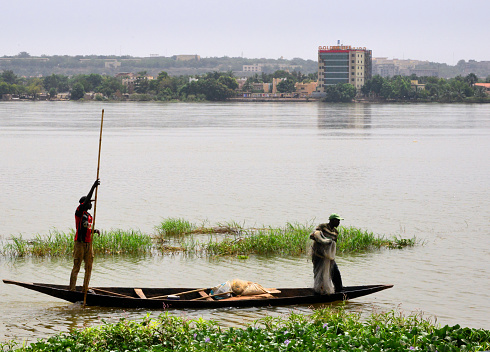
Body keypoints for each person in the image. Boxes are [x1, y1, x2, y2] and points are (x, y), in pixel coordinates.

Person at [69, 179, 100, 291]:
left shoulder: (88, 215)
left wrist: (94, 231)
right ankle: (72, 290)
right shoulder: (79, 211)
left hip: (88, 244)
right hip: (80, 244)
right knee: (76, 267)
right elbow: (87, 199)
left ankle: (84, 290)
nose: (91, 204)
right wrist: (94, 186)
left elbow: (87, 228)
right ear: (84, 204)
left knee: (89, 268)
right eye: (89, 202)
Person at [310, 213, 344, 294]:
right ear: (332, 220)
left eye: (339, 221)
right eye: (337, 221)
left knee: (335, 273)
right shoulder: (323, 226)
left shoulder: (335, 232)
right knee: (318, 274)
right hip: (318, 256)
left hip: (328, 257)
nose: (339, 222)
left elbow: (333, 245)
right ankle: (318, 292)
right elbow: (313, 235)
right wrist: (321, 239)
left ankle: (339, 291)